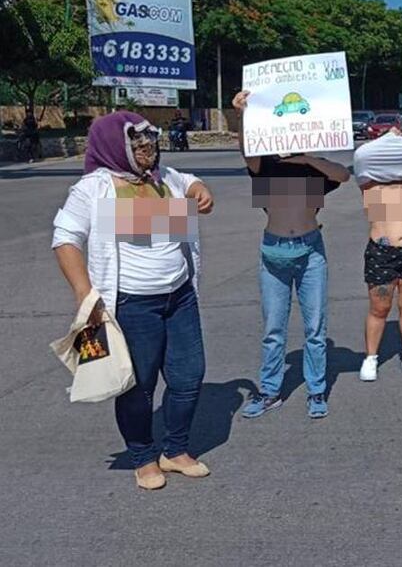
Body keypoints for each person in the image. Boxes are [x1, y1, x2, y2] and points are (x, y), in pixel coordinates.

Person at [51, 111, 214, 490]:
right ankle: (143, 456)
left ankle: (175, 450)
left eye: (151, 146)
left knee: (189, 376)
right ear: (116, 149)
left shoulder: (166, 179)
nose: (149, 154)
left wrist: (199, 191)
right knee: (137, 384)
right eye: (139, 148)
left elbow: (190, 182)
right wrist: (84, 293)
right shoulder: (94, 189)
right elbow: (65, 239)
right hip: (131, 305)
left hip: (181, 297)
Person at [231, 91, 351, 420]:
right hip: (274, 251)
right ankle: (269, 391)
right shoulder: (265, 164)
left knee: (315, 327)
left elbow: (343, 174)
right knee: (273, 327)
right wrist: (241, 115)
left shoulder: (314, 168)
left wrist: (305, 157)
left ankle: (316, 390)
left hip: (311, 251)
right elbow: (246, 152)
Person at [354, 125, 402, 381]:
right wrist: (388, 136)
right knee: (379, 309)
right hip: (382, 252)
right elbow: (364, 155)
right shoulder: (369, 181)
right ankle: (370, 357)